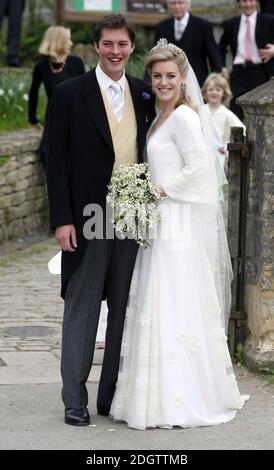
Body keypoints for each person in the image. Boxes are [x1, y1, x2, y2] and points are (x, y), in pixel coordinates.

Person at [110, 39, 248, 430]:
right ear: (151, 79)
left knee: (173, 301)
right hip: (161, 223)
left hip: (177, 223)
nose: (163, 82)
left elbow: (200, 168)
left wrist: (158, 191)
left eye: (171, 76)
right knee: (159, 300)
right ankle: (153, 395)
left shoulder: (186, 117)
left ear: (183, 77)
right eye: (157, 76)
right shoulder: (159, 117)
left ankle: (180, 397)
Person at [46, 14, 155, 426]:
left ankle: (110, 397)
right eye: (108, 44)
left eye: (122, 44)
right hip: (86, 216)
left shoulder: (144, 94)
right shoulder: (69, 93)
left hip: (133, 211)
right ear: (96, 47)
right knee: (83, 305)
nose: (115, 51)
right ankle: (75, 399)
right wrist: (62, 219)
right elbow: (55, 161)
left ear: (131, 48)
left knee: (124, 306)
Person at [28, 26, 85, 167]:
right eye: (68, 39)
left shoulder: (76, 63)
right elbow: (33, 92)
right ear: (58, 41)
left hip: (76, 118)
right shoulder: (41, 67)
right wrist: (32, 118)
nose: (71, 43)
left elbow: (86, 93)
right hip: (53, 117)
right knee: (48, 154)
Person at [219, 0, 274, 120]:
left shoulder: (269, 20)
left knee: (263, 111)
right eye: (244, 1)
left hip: (262, 72)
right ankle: (236, 138)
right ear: (239, 3)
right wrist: (222, 67)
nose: (248, 4)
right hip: (239, 73)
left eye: (251, 0)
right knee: (235, 111)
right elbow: (220, 48)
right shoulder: (231, 24)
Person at [153, 0, 222, 87]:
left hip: (198, 82)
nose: (177, 6)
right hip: (169, 83)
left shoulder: (203, 26)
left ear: (188, 5)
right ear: (169, 5)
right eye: (173, 3)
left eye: (180, 3)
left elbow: (213, 55)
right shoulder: (161, 27)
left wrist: (216, 80)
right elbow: (155, 56)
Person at [201, 73, 245, 201]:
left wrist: (226, 146)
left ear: (224, 93)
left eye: (218, 89)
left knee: (214, 181)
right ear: (205, 92)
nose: (214, 92)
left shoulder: (226, 114)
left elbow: (242, 130)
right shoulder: (201, 110)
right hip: (202, 151)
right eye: (211, 89)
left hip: (217, 153)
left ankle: (215, 198)